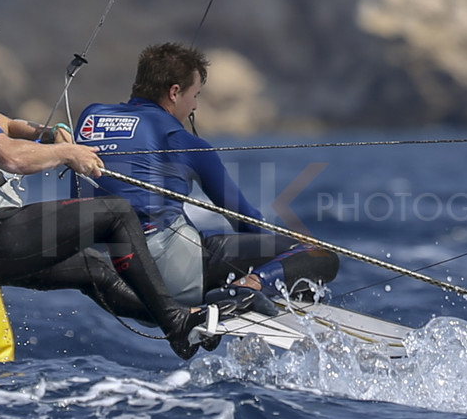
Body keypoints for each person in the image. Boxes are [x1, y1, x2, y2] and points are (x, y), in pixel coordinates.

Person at [0, 0, 225, 360]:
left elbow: (6, 125)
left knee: (93, 270)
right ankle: (177, 322)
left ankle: (189, 323)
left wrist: (50, 134)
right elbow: (10, 157)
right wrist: (69, 154)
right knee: (116, 213)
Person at [74, 43, 339, 308]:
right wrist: (293, 254)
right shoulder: (184, 141)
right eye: (195, 95)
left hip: (105, 277)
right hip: (169, 279)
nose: (195, 106)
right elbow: (244, 220)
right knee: (318, 256)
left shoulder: (91, 117)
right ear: (175, 92)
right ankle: (248, 288)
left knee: (200, 236)